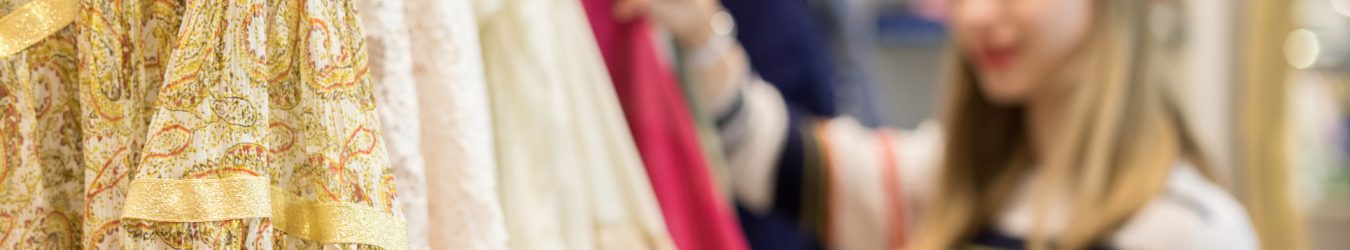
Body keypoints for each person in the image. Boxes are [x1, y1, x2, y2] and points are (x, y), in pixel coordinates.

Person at [621, 0, 1261, 249]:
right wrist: (700, 29)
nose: (979, 16)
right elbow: (768, 157)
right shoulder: (948, 184)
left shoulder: (1189, 232)